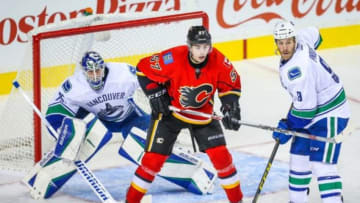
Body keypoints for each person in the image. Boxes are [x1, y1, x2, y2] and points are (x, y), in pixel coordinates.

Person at [22, 51, 216, 199]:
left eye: (99, 70)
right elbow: (55, 114)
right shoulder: (74, 86)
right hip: (97, 121)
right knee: (77, 141)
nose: (96, 75)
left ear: (104, 67)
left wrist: (169, 99)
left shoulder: (122, 73)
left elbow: (152, 81)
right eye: (91, 71)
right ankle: (41, 181)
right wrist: (63, 135)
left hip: (129, 117)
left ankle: (194, 175)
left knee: (151, 144)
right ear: (84, 72)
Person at [125, 25, 244, 203]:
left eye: (205, 47)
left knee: (222, 158)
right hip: (169, 113)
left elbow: (230, 86)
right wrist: (155, 94)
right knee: (152, 161)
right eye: (197, 47)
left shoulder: (219, 60)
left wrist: (231, 107)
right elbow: (142, 69)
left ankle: (238, 201)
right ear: (189, 46)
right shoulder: (171, 58)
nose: (202, 51)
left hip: (202, 115)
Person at [272, 20, 350, 203]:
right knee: (298, 160)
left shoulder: (296, 70)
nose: (285, 47)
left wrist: (288, 126)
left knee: (321, 165)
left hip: (331, 113)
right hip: (311, 112)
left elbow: (306, 111)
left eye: (288, 42)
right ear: (276, 42)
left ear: (294, 40)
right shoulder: (303, 39)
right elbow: (317, 34)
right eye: (281, 42)